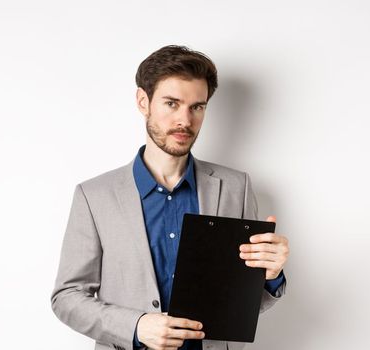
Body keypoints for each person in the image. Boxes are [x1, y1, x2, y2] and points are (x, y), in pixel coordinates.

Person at [50, 45, 289, 350]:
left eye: (197, 107)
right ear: (143, 101)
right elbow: (67, 298)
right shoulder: (94, 196)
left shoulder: (235, 187)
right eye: (172, 103)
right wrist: (136, 327)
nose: (185, 120)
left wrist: (271, 275)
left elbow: (243, 304)